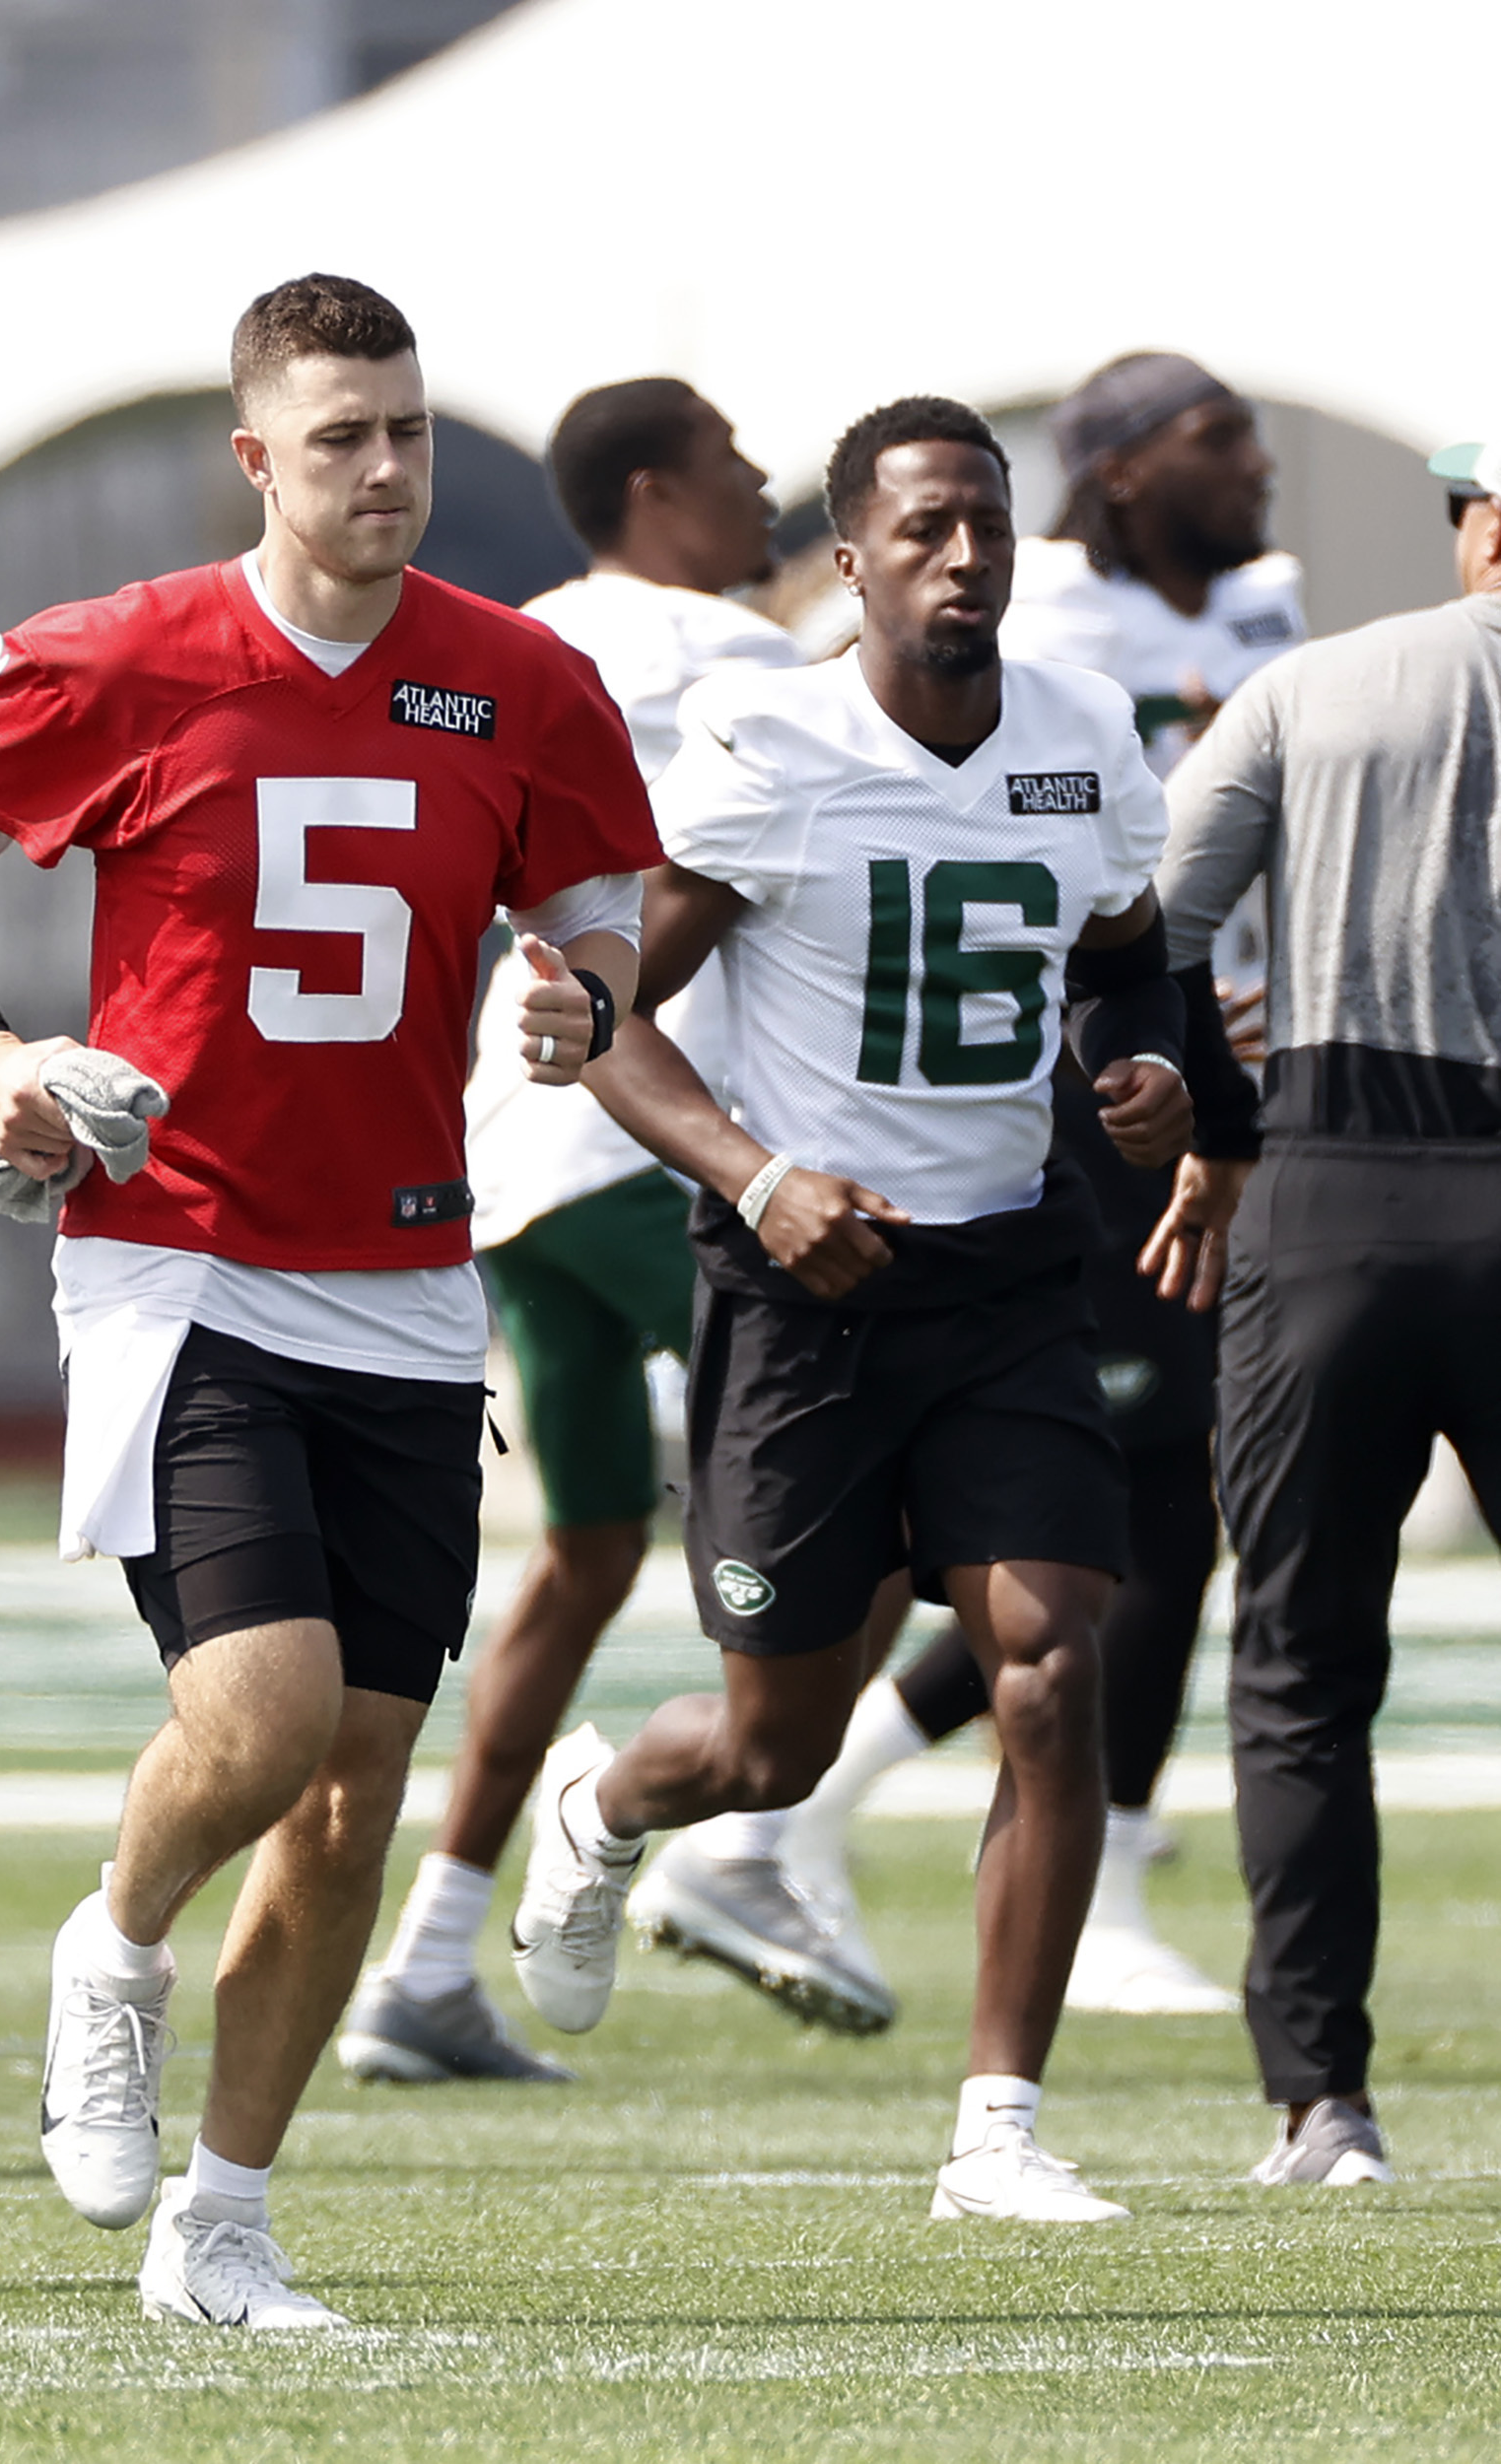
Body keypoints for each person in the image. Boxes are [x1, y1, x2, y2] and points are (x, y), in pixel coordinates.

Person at [0, 275, 655, 2329]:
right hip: (180, 1251)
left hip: (403, 1273)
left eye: (406, 432)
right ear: (256, 458)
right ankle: (111, 1938)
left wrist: (586, 1006)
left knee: (357, 1778)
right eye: (341, 438)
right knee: (267, 1709)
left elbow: (602, 925)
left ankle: (220, 2224)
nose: (385, 469)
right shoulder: (128, 650)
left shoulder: (520, 678)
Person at [513, 395, 1227, 2226]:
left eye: (982, 523)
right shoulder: (763, 742)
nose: (962, 558)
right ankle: (599, 1805)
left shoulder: (1077, 731)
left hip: (1003, 1272)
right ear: (849, 558)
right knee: (777, 1744)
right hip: (802, 1290)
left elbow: (1130, 967)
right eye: (920, 530)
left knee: (1050, 1668)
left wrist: (1142, 1076)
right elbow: (609, 1020)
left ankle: (994, 2129)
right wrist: (756, 1177)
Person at [341, 376, 889, 2088]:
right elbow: (877, 736)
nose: (760, 500)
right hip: (653, 1151)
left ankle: (425, 1964)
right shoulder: (730, 657)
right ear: (656, 489)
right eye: (735, 470)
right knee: (896, 1447)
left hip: (508, 1157)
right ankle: (733, 1842)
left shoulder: (516, 641)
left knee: (579, 1559)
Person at [786, 354, 1302, 2017]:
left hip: (1194, 1077)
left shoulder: (1263, 610)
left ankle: (835, 1811)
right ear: (1127, 468)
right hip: (1057, 1107)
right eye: (1216, 439)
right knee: (1130, 1510)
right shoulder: (1035, 618)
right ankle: (831, 1814)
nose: (1255, 466)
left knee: (1144, 1519)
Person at [1142, 434, 1501, 2188]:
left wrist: (1214, 1118)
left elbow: (1146, 934)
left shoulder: (1310, 687)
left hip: (1333, 1184)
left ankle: (1320, 2102)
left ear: (1474, 527)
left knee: (1296, 1666)